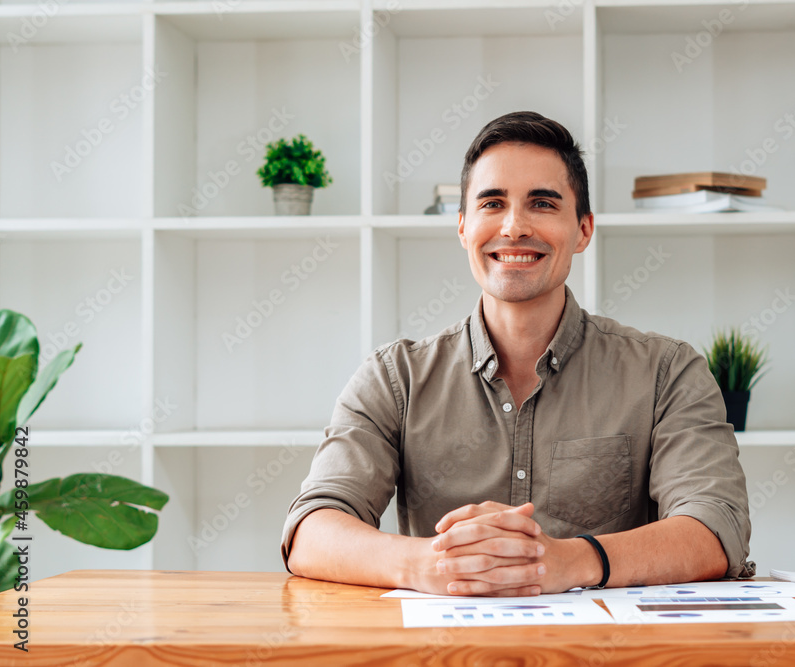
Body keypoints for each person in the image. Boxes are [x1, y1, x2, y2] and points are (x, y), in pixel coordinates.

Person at [281, 111, 753, 596]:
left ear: (584, 230)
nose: (513, 227)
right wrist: (432, 564)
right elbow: (312, 532)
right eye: (492, 203)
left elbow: (717, 526)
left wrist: (572, 560)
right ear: (463, 227)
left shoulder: (667, 373)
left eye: (543, 204)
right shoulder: (393, 378)